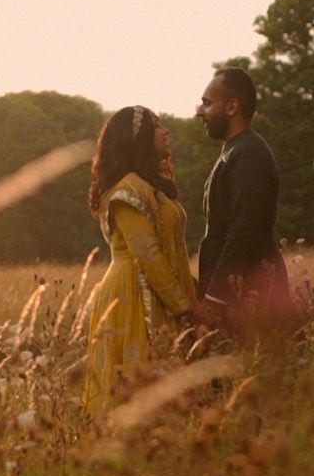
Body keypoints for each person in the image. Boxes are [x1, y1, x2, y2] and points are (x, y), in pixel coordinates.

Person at [82, 105, 197, 415]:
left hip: (157, 289)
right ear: (140, 138)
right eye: (158, 126)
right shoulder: (127, 191)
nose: (166, 131)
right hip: (132, 294)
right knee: (138, 398)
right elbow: (147, 255)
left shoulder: (150, 187)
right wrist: (183, 306)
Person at [192, 67, 291, 335]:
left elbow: (244, 228)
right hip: (235, 293)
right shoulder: (234, 151)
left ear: (232, 106)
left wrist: (216, 296)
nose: (200, 111)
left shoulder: (249, 153)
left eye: (207, 103)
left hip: (249, 294)